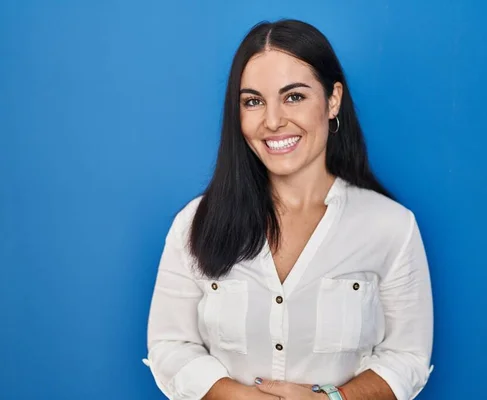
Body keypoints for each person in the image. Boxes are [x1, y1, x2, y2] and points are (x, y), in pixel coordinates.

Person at [144, 19, 434, 400]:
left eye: (293, 96)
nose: (273, 121)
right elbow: (169, 345)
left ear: (332, 100)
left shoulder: (391, 227)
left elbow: (407, 357)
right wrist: (235, 396)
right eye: (253, 101)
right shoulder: (195, 224)